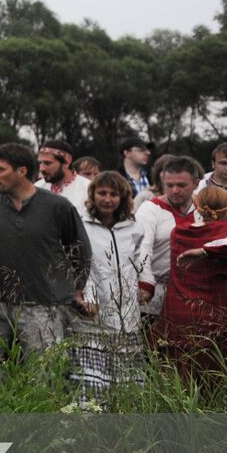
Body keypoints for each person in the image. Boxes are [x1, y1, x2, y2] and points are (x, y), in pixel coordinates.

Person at [0, 143, 92, 364]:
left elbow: (80, 250)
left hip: (43, 305)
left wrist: (77, 288)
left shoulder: (57, 206)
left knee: (44, 375)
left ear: (21, 171)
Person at [154, 186, 227, 377]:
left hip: (180, 315)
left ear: (197, 207)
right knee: (218, 381)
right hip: (219, 317)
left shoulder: (178, 232)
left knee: (180, 380)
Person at [74, 171, 147, 399]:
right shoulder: (82, 224)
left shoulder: (134, 227)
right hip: (92, 310)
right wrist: (89, 298)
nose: (107, 199)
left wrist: (143, 286)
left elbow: (138, 262)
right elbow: (79, 266)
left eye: (113, 194)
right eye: (102, 193)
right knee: (93, 381)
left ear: (123, 197)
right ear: (93, 195)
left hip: (127, 311)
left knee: (126, 382)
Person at [135, 156, 201, 319]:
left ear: (196, 183)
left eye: (181, 185)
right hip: (156, 293)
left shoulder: (204, 209)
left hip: (195, 294)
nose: (174, 190)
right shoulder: (149, 209)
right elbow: (142, 248)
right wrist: (145, 281)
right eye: (169, 185)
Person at [37, 139, 90, 213]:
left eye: (47, 163)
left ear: (66, 163)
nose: (41, 168)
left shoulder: (88, 188)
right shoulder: (37, 187)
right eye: (40, 163)